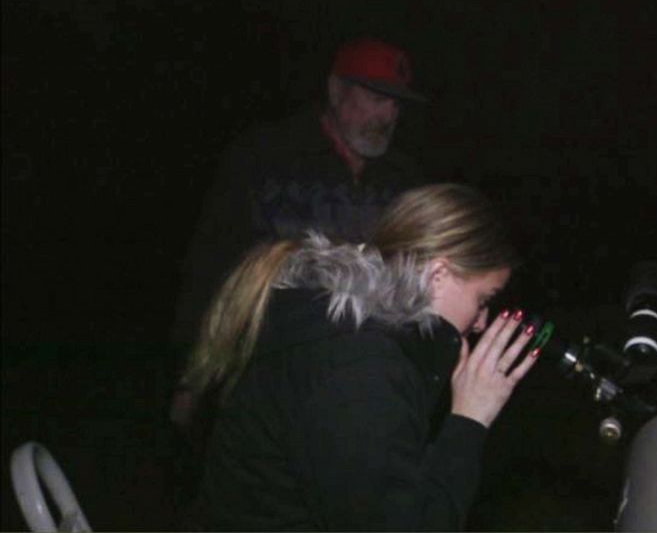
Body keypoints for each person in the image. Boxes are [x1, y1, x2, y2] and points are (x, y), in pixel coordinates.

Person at [179, 183, 542, 530]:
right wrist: (469, 418)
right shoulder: (361, 368)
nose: (482, 323)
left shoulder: (348, 336)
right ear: (438, 275)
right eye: (484, 300)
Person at [171, 37, 428, 429]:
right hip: (264, 376)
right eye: (376, 96)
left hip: (361, 386)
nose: (388, 114)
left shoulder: (404, 180)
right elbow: (212, 263)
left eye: (396, 103)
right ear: (336, 90)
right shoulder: (266, 157)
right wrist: (192, 376)